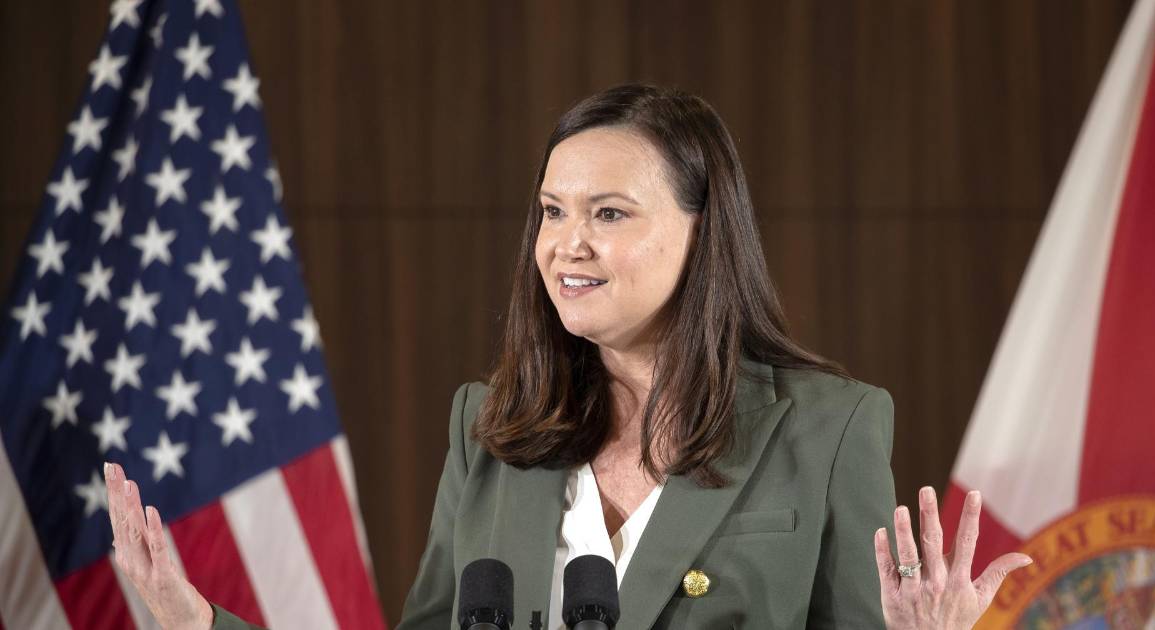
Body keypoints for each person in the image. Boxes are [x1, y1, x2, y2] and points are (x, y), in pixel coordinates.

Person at [103, 83, 1032, 629]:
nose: (565, 245)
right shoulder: (488, 429)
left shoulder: (829, 429)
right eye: (552, 212)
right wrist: (197, 623)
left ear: (702, 232)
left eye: (608, 214)